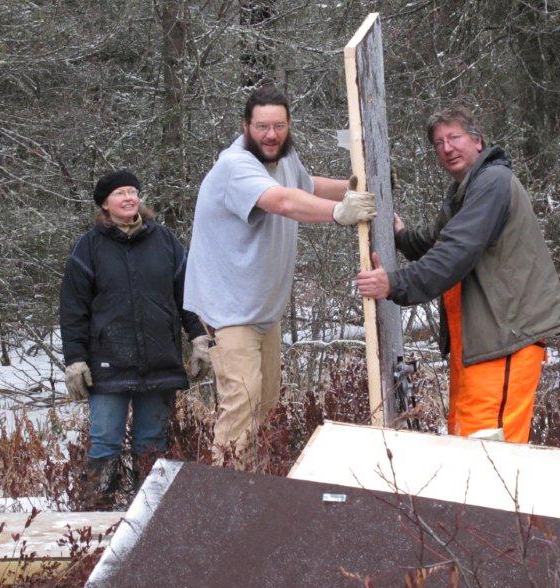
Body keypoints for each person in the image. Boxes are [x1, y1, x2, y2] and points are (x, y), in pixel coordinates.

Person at [184, 85, 377, 468]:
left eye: (278, 126)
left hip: (263, 312)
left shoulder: (284, 159)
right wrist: (340, 211)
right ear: (245, 127)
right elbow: (284, 202)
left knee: (266, 409)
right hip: (229, 311)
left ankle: (255, 493)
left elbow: (308, 186)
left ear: (288, 126)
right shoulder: (235, 166)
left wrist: (363, 185)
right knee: (244, 405)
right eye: (261, 127)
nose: (270, 135)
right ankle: (224, 501)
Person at [357, 106, 560, 443]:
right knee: (466, 440)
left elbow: (455, 252)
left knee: (492, 451)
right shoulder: (466, 190)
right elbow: (434, 242)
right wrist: (397, 234)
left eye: (454, 137)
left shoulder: (493, 183)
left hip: (505, 339)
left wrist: (394, 283)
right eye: (439, 143)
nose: (447, 148)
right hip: (478, 342)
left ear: (477, 141)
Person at [60, 168, 209, 509]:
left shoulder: (166, 242)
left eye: (132, 191)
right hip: (107, 366)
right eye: (119, 193)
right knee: (104, 443)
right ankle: (97, 522)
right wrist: (75, 359)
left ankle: (148, 520)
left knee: (152, 445)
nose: (128, 198)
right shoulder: (87, 248)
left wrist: (199, 338)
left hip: (160, 362)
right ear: (105, 205)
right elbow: (73, 311)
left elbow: (187, 296)